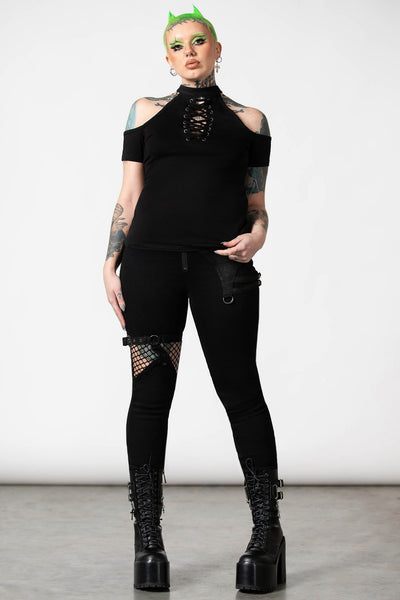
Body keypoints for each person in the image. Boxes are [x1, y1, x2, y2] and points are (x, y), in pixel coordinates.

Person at [103, 4, 286, 594]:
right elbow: (129, 194)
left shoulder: (251, 122)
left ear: (217, 48)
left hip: (222, 269)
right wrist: (110, 261)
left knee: (240, 391)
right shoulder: (144, 111)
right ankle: (147, 539)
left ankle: (267, 533)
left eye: (198, 41)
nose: (189, 51)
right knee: (150, 396)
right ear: (167, 57)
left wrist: (258, 236)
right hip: (150, 266)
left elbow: (257, 205)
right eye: (177, 44)